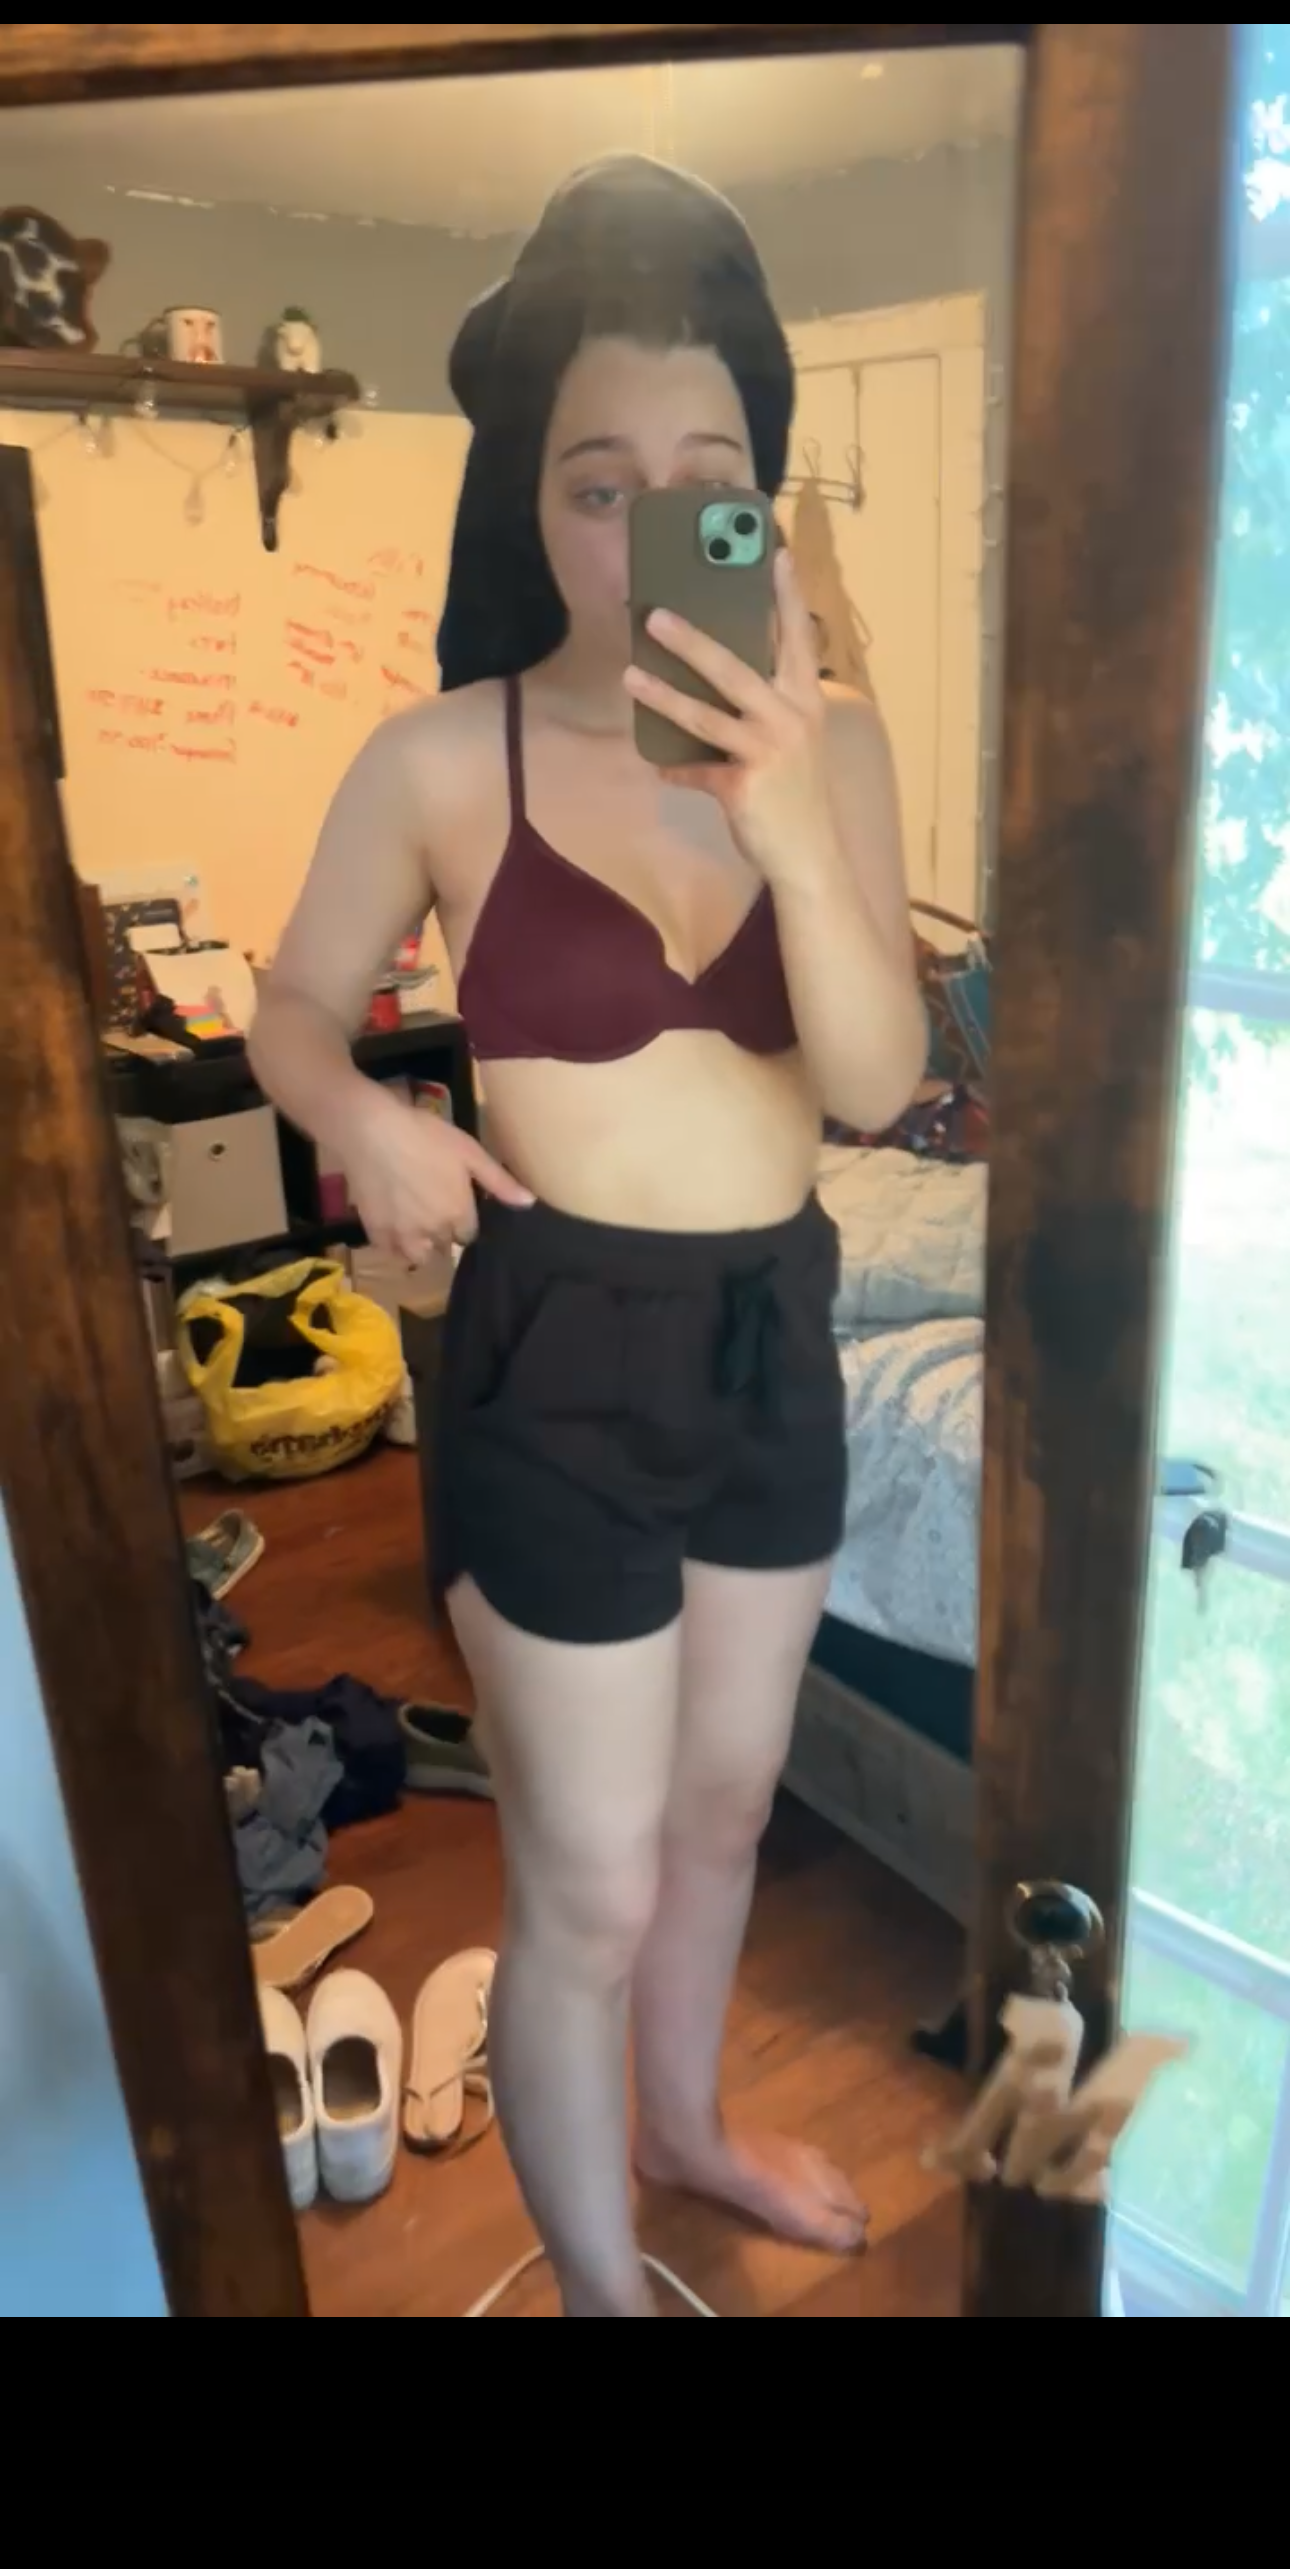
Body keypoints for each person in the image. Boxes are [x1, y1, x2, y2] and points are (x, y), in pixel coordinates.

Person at [250, 158, 926, 2317]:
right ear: (528, 506)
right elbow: (287, 1007)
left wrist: (788, 816)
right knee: (591, 1880)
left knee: (725, 1816)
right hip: (553, 1356)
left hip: (774, 1334)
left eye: (702, 483)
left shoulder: (839, 751)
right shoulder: (442, 758)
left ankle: (686, 2129)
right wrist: (370, 1115)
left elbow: (873, 1084)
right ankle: (607, 2294)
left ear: (763, 505)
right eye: (595, 486)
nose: (647, 534)